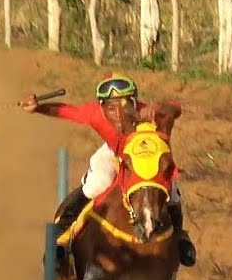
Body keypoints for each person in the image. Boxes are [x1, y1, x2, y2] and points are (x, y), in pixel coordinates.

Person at [21, 73, 196, 267]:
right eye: (111, 108)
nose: (119, 115)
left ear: (134, 103)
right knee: (96, 184)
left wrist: (159, 109)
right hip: (113, 151)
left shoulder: (146, 112)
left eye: (125, 106)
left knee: (172, 191)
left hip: (139, 156)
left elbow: (175, 107)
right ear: (102, 107)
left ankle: (180, 238)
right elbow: (67, 111)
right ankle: (62, 236)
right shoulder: (94, 113)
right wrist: (38, 108)